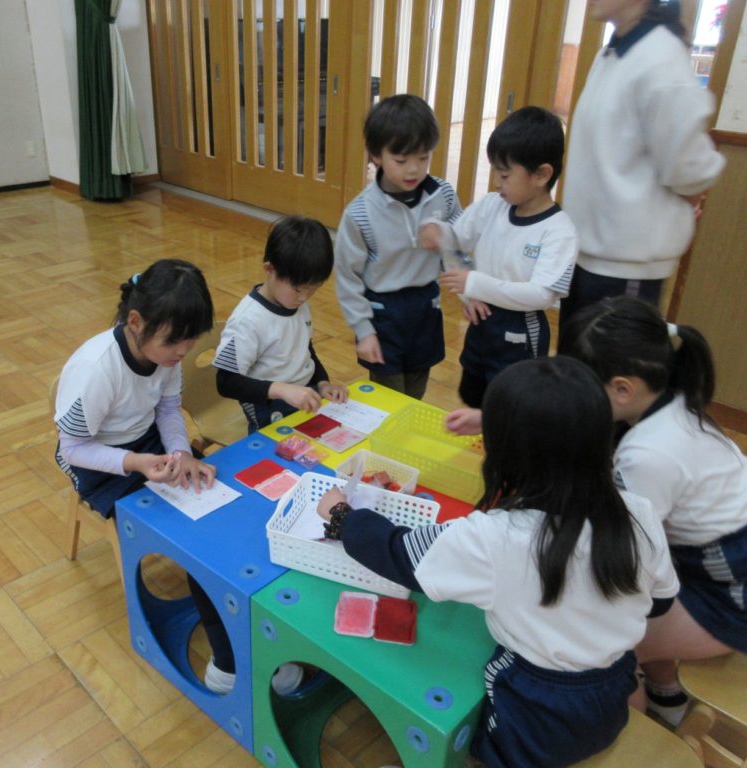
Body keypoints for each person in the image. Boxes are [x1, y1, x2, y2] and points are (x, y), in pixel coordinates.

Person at [317, 357, 679, 767]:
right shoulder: (637, 510)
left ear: (506, 457)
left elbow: (400, 554)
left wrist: (343, 516)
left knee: (480, 746)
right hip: (615, 688)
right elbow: (660, 602)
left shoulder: (497, 537)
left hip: (534, 711)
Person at [53, 260, 301, 696]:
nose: (182, 352)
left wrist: (181, 454)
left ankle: (250, 631)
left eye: (191, 341)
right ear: (135, 322)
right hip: (100, 466)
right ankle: (228, 662)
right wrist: (137, 463)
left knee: (228, 508)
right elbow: (72, 449)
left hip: (148, 444)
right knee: (197, 539)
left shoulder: (163, 351)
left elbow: (167, 409)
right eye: (175, 342)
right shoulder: (97, 369)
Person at [560, 296, 747, 726]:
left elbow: (625, 552)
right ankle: (668, 700)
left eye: (581, 388)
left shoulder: (647, 455)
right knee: (632, 611)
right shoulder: (672, 399)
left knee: (606, 643)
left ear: (622, 389)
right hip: (743, 563)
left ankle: (637, 740)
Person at [559, 0, 725, 340]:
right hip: (585, 257)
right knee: (576, 367)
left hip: (625, 268)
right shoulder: (612, 53)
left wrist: (691, 194)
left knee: (608, 369)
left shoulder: (662, 60)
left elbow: (690, 169)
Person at [420, 105, 577, 408]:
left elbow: (540, 295)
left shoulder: (558, 231)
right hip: (481, 324)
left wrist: (474, 284)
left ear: (541, 174)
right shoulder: (492, 205)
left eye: (504, 174)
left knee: (510, 405)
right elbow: (456, 241)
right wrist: (437, 232)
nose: (495, 182)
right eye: (494, 171)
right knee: (473, 397)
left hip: (520, 333)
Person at [334, 93, 462, 399]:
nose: (413, 170)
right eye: (401, 161)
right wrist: (363, 331)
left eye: (423, 158)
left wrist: (445, 236)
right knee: (388, 398)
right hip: (383, 313)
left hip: (426, 307)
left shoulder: (442, 194)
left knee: (415, 392)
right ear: (376, 156)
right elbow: (347, 277)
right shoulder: (360, 213)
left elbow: (462, 239)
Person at [214, 216, 348, 433]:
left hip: (303, 393)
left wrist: (323, 382)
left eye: (313, 289)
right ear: (269, 269)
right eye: (298, 289)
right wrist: (282, 390)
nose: (304, 297)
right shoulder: (247, 321)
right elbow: (225, 382)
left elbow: (305, 349)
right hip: (268, 405)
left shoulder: (297, 303)